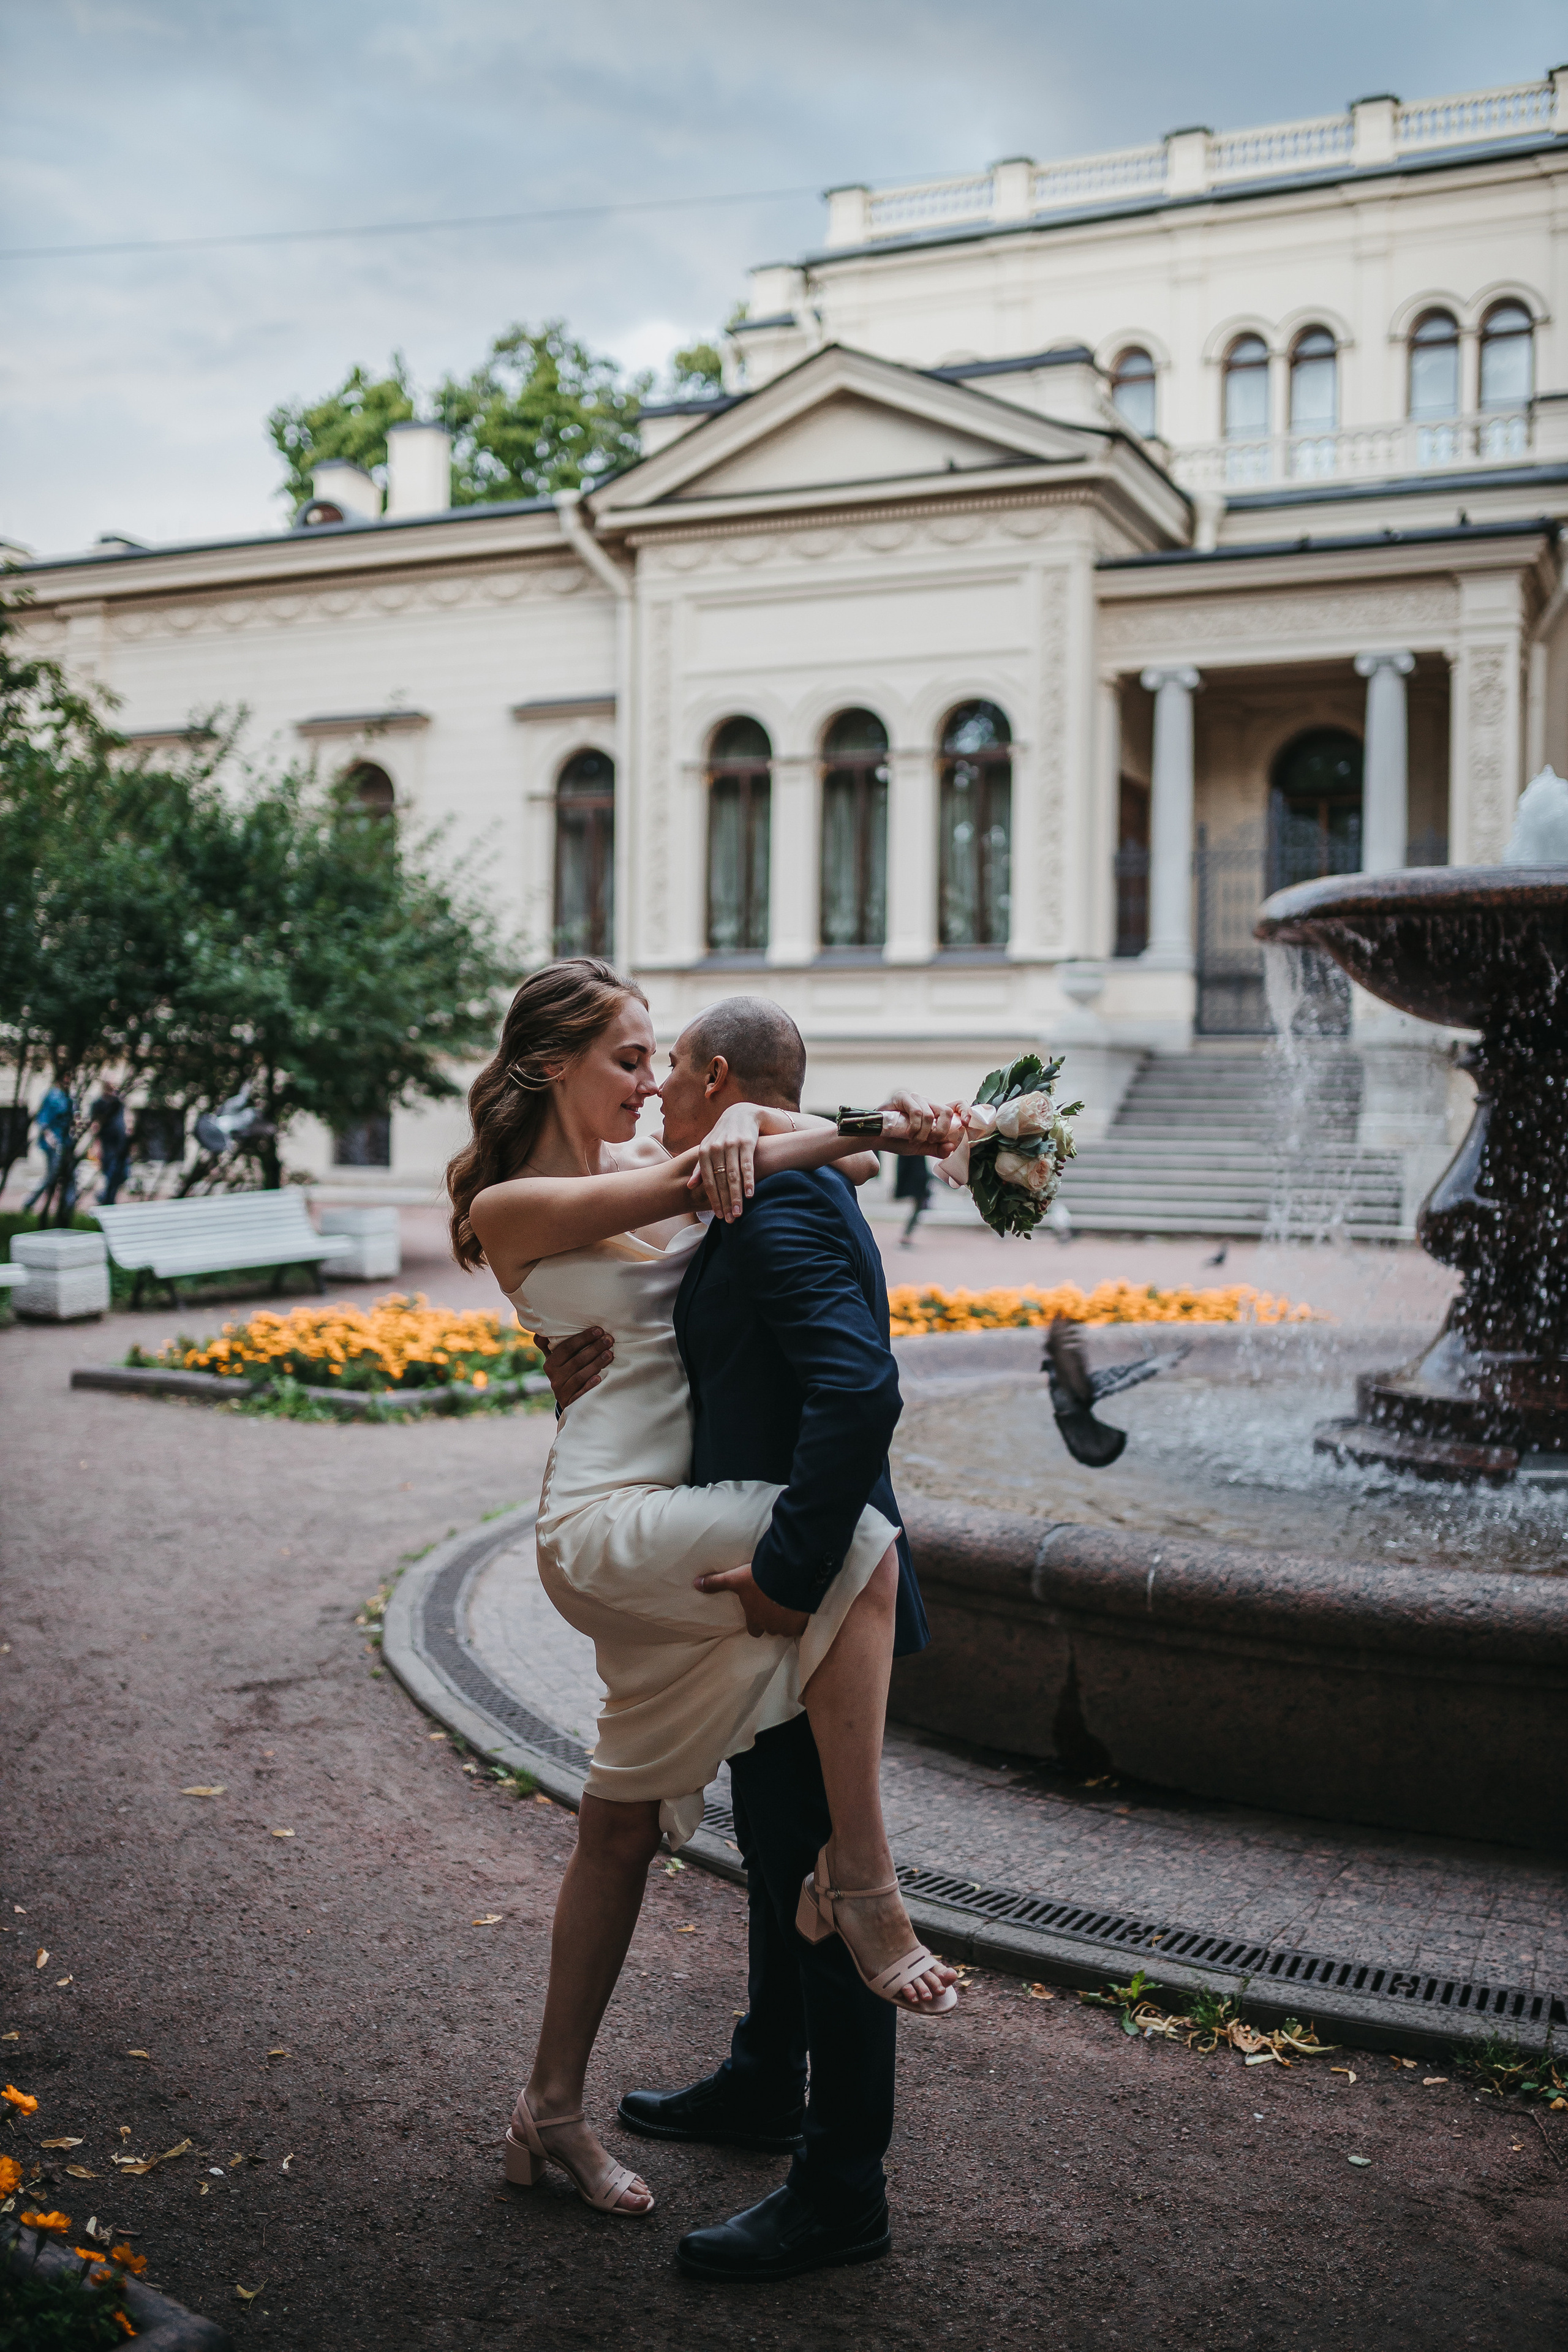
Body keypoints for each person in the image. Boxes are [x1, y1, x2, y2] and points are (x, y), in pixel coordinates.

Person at [448, 960, 962, 2272]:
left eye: (661, 1061)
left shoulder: (698, 1160)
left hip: (674, 1524)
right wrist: (753, 1127)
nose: (648, 1081)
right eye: (627, 1058)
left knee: (617, 1826)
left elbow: (788, 1174)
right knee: (855, 1542)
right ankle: (864, 1885)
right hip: (608, 1524)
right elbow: (699, 1185)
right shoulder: (519, 1202)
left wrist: (856, 1122)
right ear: (550, 1064)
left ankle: (545, 2116)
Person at [21, 1084, 74, 1215]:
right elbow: (43, 1120)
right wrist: (50, 1138)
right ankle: (31, 1202)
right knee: (52, 1176)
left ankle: (68, 1204)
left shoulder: (68, 1096)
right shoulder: (52, 1095)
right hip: (54, 1144)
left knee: (69, 1174)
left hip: (65, 1143)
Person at [89, 1079, 131, 1206]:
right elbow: (95, 1126)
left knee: (123, 1174)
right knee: (111, 1174)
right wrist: (97, 1146)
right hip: (108, 1145)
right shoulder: (99, 1104)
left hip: (121, 1145)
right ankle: (107, 1200)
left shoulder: (118, 1104)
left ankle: (105, 1197)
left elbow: (125, 1122)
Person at [894, 1148, 930, 1245]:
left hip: (919, 1179)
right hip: (918, 1180)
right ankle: (907, 1235)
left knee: (918, 1208)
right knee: (918, 1207)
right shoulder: (913, 1147)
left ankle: (907, 1234)